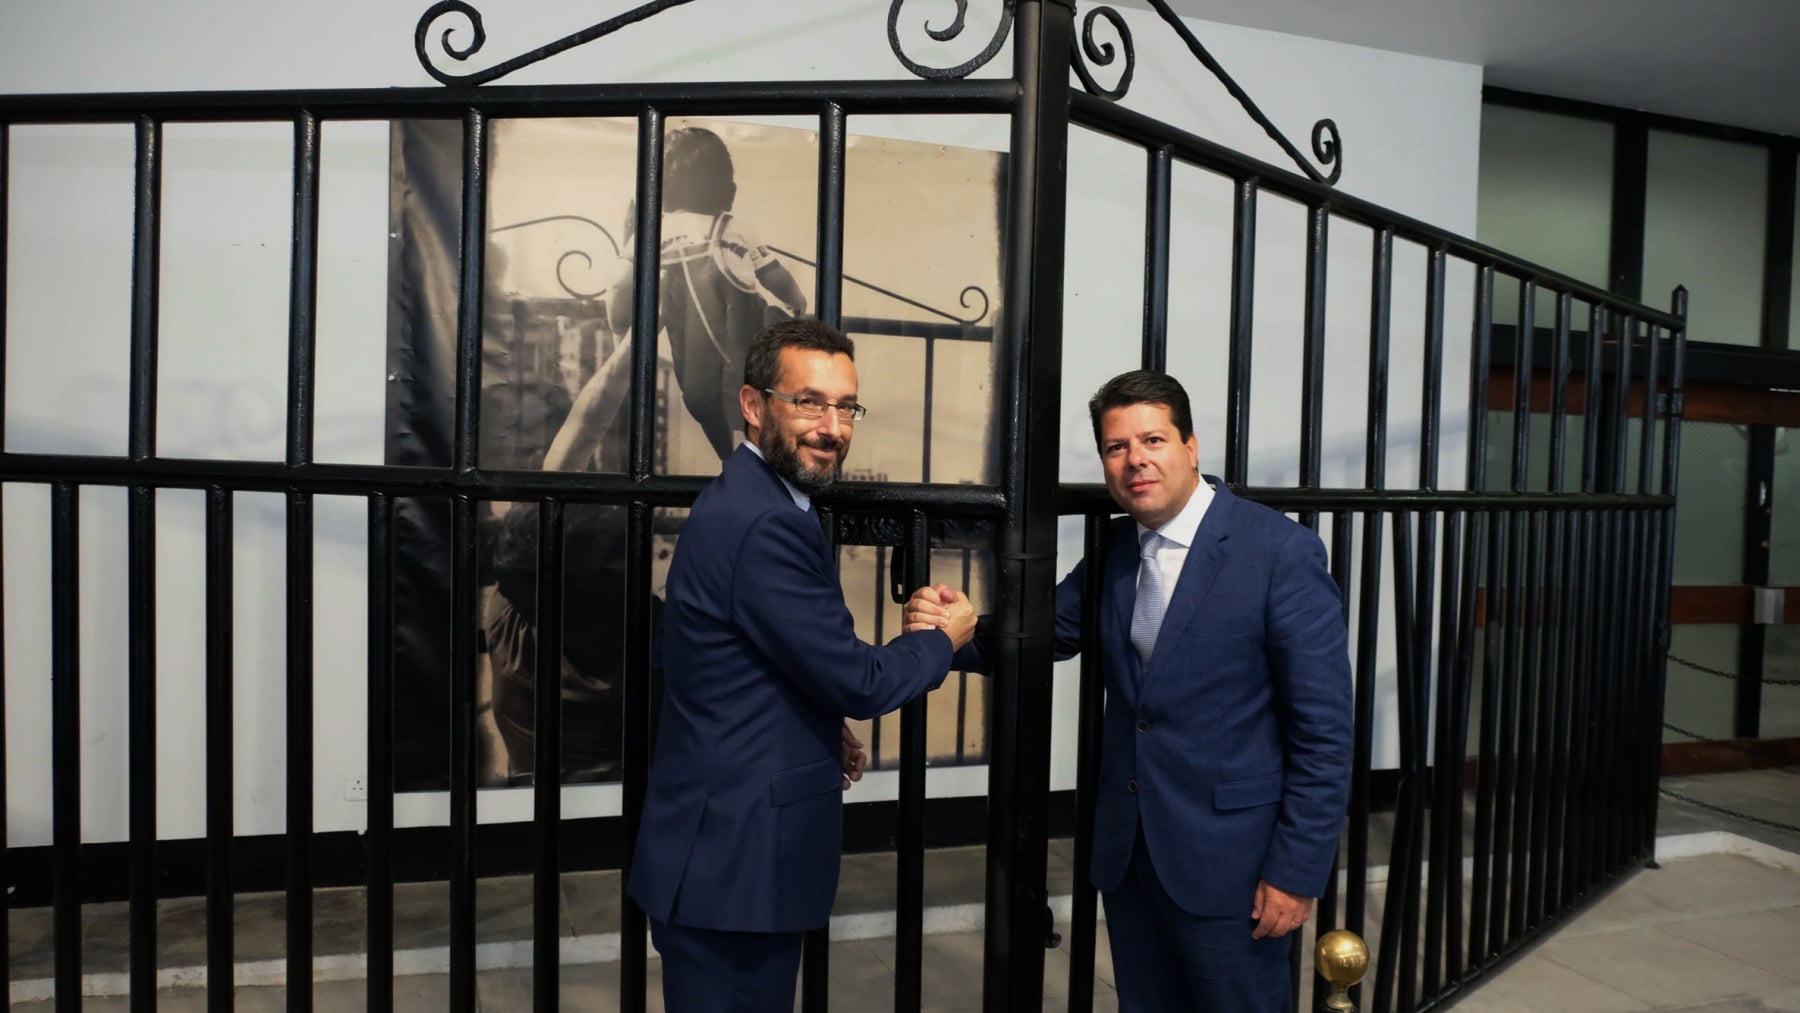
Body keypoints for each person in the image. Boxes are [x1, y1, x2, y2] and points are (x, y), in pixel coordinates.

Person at [907, 370, 1353, 1012]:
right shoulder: (1115, 546)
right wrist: (954, 631)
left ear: (1191, 446)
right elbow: (1041, 637)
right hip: (1130, 854)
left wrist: (1296, 870)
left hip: (1234, 865)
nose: (1135, 460)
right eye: (1116, 447)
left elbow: (1324, 730)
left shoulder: (1280, 552)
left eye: (1153, 440)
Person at [627, 317, 976, 1012]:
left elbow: (733, 664)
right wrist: (946, 639)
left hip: (720, 853)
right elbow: (859, 680)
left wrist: (811, 725)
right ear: (754, 405)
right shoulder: (767, 521)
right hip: (735, 866)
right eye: (810, 402)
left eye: (846, 406)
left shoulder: (750, 499)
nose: (833, 427)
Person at [606, 126, 811, 461]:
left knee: (702, 403)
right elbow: (774, 274)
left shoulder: (652, 234)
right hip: (749, 349)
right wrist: (797, 302)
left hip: (697, 368)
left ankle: (734, 459)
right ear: (726, 187)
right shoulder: (735, 228)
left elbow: (618, 286)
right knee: (765, 393)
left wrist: (620, 333)